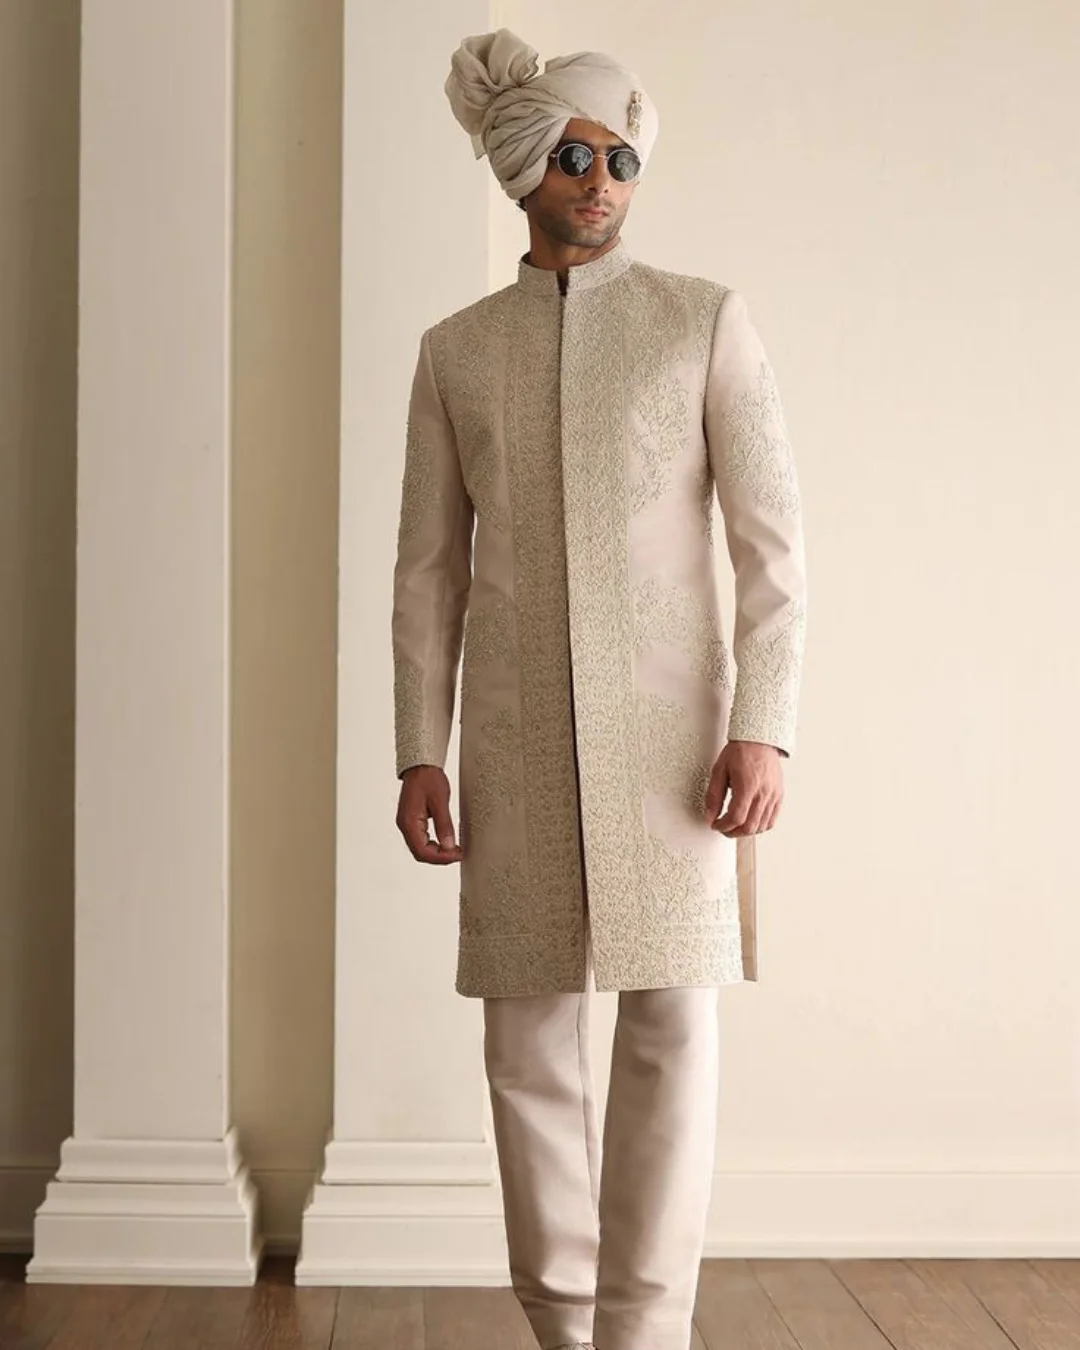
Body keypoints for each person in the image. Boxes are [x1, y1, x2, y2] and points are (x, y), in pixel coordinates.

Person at [390, 28, 807, 1350]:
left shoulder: (702, 321)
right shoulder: (457, 352)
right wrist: (419, 749)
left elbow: (774, 553)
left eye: (622, 161)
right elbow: (426, 575)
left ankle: (643, 1328)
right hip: (512, 742)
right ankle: (562, 1323)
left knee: (673, 1025)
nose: (600, 183)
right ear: (522, 167)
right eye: (575, 158)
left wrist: (764, 727)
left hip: (677, 746)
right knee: (527, 1042)